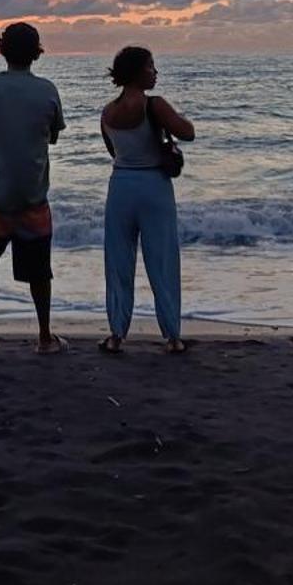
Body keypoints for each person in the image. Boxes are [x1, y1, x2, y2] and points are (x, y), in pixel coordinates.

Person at [0, 21, 66, 355]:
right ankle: (44, 337)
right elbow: (53, 134)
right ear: (37, 53)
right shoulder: (48, 90)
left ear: (1, 49)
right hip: (32, 199)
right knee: (40, 274)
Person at [98, 45, 193, 354]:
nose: (156, 72)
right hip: (154, 184)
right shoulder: (155, 105)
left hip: (121, 185)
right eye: (152, 67)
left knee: (118, 261)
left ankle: (116, 333)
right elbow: (188, 132)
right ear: (140, 71)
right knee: (162, 260)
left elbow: (114, 153)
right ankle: (172, 336)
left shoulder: (108, 112)